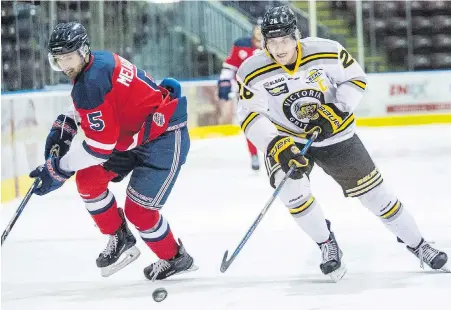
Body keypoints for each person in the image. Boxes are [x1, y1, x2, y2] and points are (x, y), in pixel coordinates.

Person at [235, 6, 448, 282]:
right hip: (288, 139)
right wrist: (276, 145)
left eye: (285, 40)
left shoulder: (326, 51)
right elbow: (250, 114)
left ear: (296, 36)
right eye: (272, 42)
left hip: (337, 135)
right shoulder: (251, 70)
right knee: (291, 190)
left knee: (376, 194)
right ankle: (327, 244)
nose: (279, 48)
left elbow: (356, 79)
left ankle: (420, 245)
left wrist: (337, 109)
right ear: (264, 42)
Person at [29, 22, 197, 281]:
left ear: (83, 51)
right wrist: (67, 123)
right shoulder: (100, 61)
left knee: (139, 212)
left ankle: (176, 257)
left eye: (69, 57)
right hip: (134, 135)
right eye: (59, 59)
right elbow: (101, 103)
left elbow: (99, 148)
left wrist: (58, 168)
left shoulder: (91, 81)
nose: (64, 65)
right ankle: (120, 237)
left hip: (164, 136)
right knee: (88, 181)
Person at [218, 24, 263, 170]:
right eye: (257, 29)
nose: (259, 32)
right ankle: (254, 154)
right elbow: (230, 66)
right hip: (246, 94)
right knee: (250, 124)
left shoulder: (274, 45)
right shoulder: (241, 45)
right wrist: (225, 83)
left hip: (270, 93)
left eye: (262, 29)